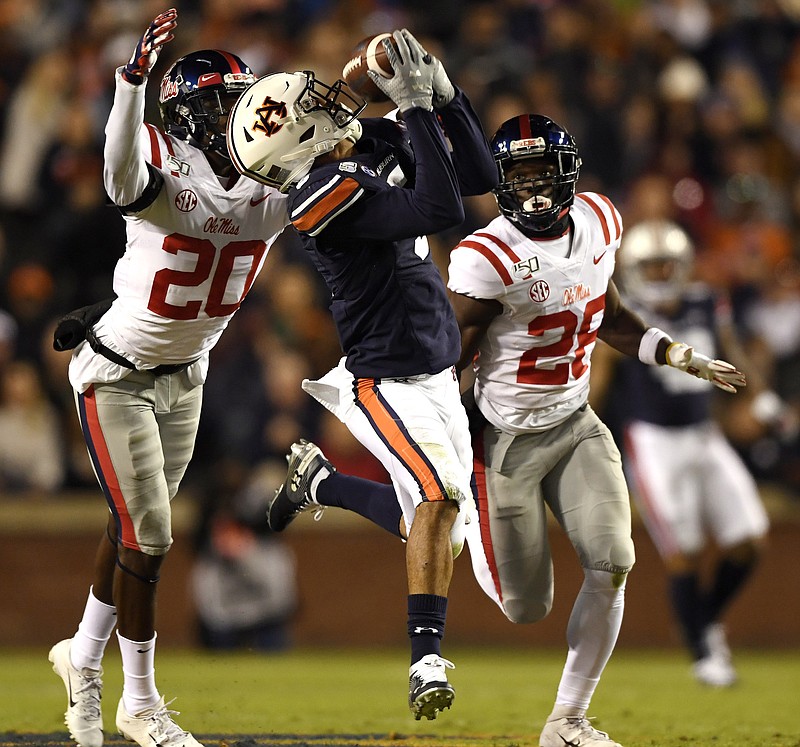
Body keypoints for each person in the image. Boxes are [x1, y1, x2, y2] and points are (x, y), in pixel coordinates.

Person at [446, 115, 746, 747]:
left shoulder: (601, 221)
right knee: (525, 608)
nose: (530, 188)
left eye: (540, 171)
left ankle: (566, 721)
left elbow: (603, 310)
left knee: (613, 563)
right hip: (504, 443)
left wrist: (675, 353)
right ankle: (467, 520)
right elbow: (453, 355)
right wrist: (437, 438)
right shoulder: (485, 256)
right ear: (500, 182)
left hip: (577, 424)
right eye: (517, 175)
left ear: (567, 171)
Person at [227, 30, 497, 720]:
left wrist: (445, 97)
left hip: (435, 371)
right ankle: (425, 661)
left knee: (443, 527)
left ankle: (320, 482)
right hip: (382, 381)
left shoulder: (358, 149)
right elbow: (440, 210)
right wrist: (412, 109)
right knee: (435, 498)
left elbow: (476, 177)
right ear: (295, 145)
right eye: (308, 105)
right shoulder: (317, 194)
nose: (326, 100)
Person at [47, 9, 289, 747]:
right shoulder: (156, 156)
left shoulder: (274, 178)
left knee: (130, 525)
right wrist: (131, 83)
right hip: (117, 375)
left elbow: (337, 175)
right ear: (180, 117)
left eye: (234, 102)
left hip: (188, 373)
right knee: (150, 533)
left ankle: (81, 657)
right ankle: (141, 701)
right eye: (211, 106)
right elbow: (120, 176)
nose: (227, 118)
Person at [590, 219, 779, 687]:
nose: (657, 274)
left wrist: (762, 399)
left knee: (750, 538)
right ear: (632, 270)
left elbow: (732, 351)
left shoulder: (703, 301)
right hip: (652, 440)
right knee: (685, 551)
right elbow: (596, 387)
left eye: (665, 265)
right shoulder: (622, 314)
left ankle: (702, 620)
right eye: (649, 266)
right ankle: (702, 652)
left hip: (704, 432)